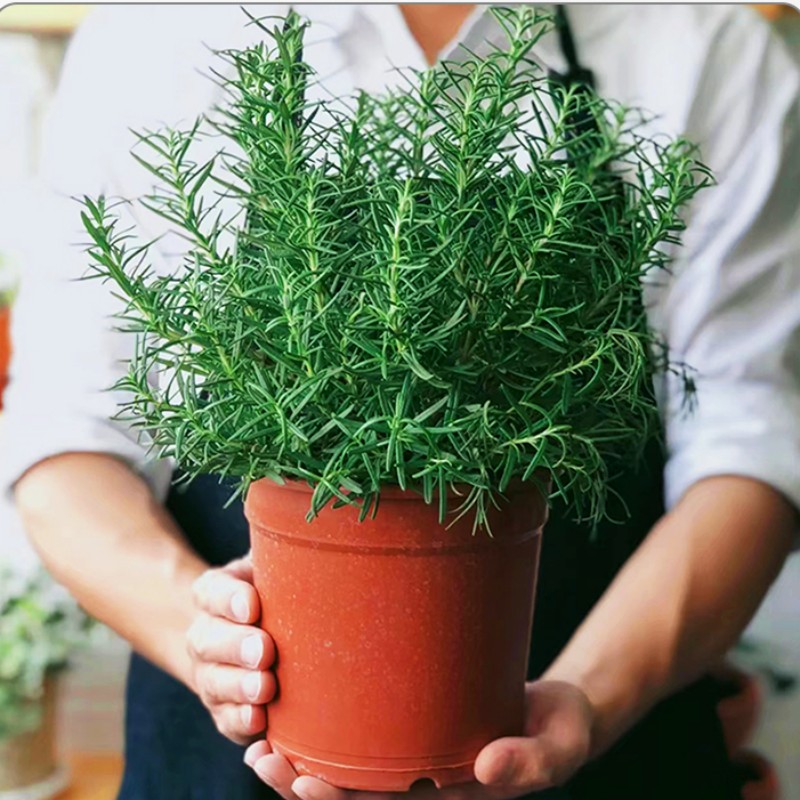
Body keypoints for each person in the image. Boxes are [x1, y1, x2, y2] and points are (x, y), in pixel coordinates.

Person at [2, 4, 799, 799]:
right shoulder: (156, 31)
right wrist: (209, 641)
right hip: (229, 764)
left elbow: (752, 438)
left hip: (616, 751)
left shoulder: (703, 42)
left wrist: (593, 694)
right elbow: (64, 440)